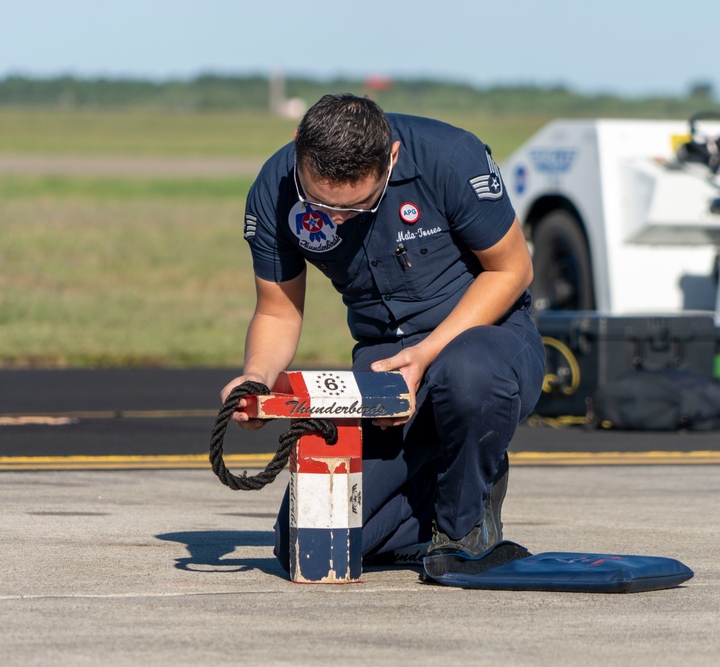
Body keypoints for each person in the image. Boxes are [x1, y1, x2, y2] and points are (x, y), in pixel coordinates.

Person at [221, 93, 545, 571]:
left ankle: (466, 524)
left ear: (391, 156)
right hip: (384, 364)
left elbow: (512, 271)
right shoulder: (273, 187)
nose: (335, 219)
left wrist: (427, 355)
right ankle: (443, 486)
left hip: (488, 338)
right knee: (308, 540)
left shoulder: (451, 157)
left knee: (467, 375)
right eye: (319, 203)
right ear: (297, 148)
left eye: (357, 207)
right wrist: (256, 378)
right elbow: (278, 312)